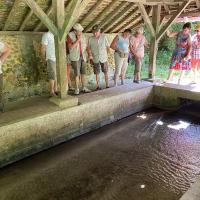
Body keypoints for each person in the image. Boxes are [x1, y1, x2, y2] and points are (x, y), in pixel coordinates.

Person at [67, 23, 91, 95]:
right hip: (75, 57)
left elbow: (86, 47)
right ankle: (77, 88)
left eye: (81, 31)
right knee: (76, 73)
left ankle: (84, 87)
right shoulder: (70, 36)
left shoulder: (83, 36)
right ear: (75, 31)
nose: (80, 32)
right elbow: (70, 47)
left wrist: (89, 54)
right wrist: (78, 40)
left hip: (83, 56)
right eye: (79, 31)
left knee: (83, 72)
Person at [87, 25, 110, 90]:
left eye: (96, 32)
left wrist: (107, 55)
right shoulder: (90, 39)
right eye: (93, 32)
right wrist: (90, 55)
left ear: (99, 31)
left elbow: (108, 47)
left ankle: (107, 85)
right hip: (95, 58)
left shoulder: (104, 37)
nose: (95, 33)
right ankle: (97, 86)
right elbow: (88, 48)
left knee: (105, 71)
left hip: (103, 57)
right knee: (97, 72)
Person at [41, 31, 58, 96]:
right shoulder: (47, 35)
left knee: (56, 74)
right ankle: (51, 91)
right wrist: (43, 59)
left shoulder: (57, 34)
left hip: (57, 57)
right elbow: (43, 48)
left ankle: (56, 89)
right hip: (50, 58)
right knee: (52, 74)